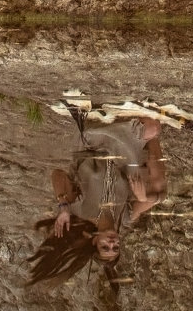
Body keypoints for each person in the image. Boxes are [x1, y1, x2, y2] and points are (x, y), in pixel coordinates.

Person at [25, 117, 167, 289]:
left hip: (94, 142)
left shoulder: (79, 210)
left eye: (105, 246)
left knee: (150, 127)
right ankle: (150, 135)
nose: (112, 243)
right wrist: (143, 198)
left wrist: (63, 207)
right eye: (115, 247)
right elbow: (160, 197)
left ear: (95, 241)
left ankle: (130, 120)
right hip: (125, 154)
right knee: (154, 129)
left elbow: (57, 174)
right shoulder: (124, 219)